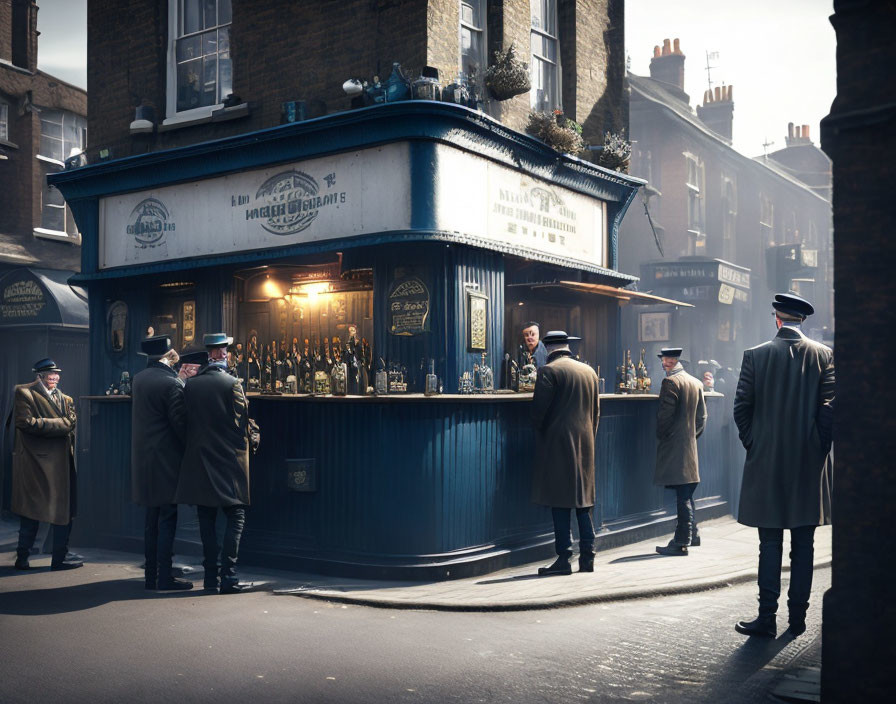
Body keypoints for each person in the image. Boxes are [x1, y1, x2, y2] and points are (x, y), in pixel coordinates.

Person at [733, 293, 834, 639]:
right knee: (804, 545)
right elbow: (830, 410)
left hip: (768, 464)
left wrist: (756, 444)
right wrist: (818, 448)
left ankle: (766, 618)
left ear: (777, 318)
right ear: (801, 321)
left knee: (770, 544)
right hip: (808, 466)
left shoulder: (755, 356)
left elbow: (741, 409)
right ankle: (798, 619)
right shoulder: (824, 356)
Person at [175, 333, 253, 594]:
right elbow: (240, 422)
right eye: (226, 351)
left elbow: (182, 421)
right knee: (236, 515)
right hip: (228, 461)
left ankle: (210, 577)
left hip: (199, 460)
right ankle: (229, 577)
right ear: (221, 354)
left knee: (206, 518)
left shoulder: (191, 385)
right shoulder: (233, 384)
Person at [531, 331, 601, 575]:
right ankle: (588, 557)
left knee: (560, 503)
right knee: (583, 503)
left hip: (559, 444)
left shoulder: (549, 371)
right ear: (567, 346)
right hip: (586, 444)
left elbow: (539, 413)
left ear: (548, 348)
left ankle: (564, 559)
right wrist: (589, 437)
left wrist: (541, 434)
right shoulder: (589, 371)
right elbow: (596, 413)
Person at [131, 335, 192, 590]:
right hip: (166, 460)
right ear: (169, 356)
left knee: (151, 519)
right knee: (167, 517)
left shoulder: (139, 379)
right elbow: (180, 425)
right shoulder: (171, 383)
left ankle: (150, 577)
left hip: (143, 459)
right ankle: (165, 577)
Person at [11, 359, 82, 571]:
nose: (55, 378)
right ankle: (22, 558)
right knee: (31, 512)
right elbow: (24, 423)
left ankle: (59, 559)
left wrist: (60, 424)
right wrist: (61, 425)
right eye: (50, 374)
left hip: (62, 462)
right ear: (39, 376)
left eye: (56, 374)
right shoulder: (24, 393)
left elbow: (73, 422)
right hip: (35, 462)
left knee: (63, 513)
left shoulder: (66, 398)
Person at [653, 347, 707, 557]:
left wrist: (663, 435)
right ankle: (693, 535)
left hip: (675, 446)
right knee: (686, 490)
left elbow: (664, 417)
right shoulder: (695, 382)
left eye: (668, 359)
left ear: (675, 360)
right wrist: (691, 436)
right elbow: (702, 417)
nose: (665, 362)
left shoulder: (671, 382)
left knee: (682, 495)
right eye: (664, 359)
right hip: (689, 445)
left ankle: (681, 541)